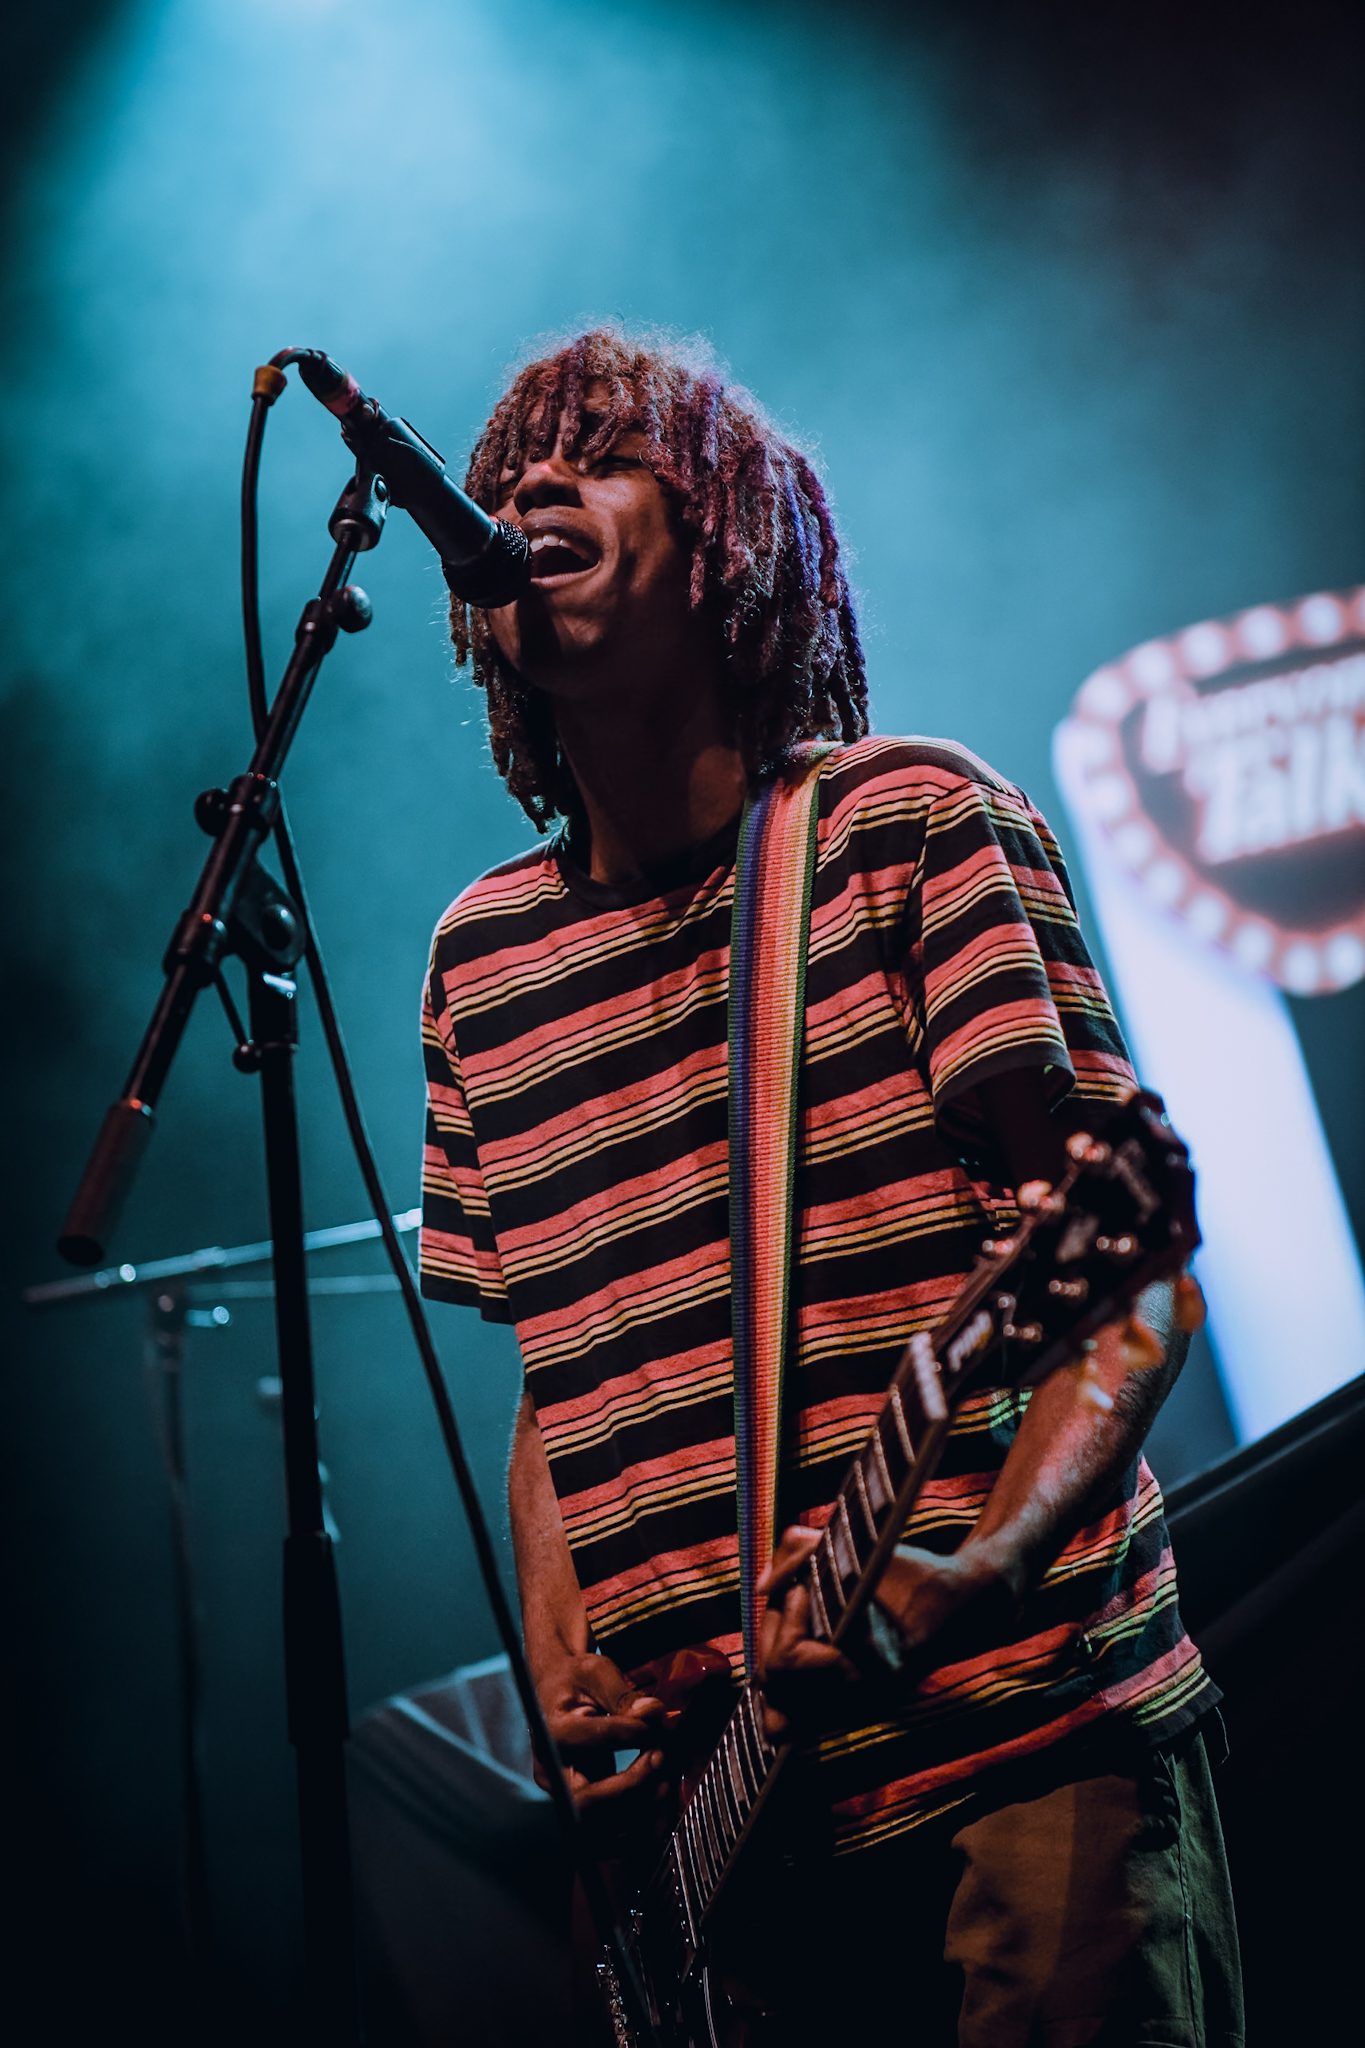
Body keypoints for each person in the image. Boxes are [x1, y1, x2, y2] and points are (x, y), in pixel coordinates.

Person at [418, 328, 1243, 2044]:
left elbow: (1126, 1276)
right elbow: (557, 1384)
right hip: (720, 1852)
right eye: (509, 472)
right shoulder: (478, 964)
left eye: (601, 455)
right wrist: (561, 1654)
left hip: (1017, 1749)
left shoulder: (909, 828)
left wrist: (978, 1569)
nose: (533, 484)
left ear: (725, 540)